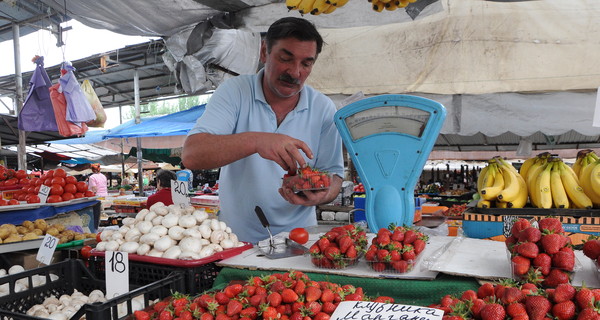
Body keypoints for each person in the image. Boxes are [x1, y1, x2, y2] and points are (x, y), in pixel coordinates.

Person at [182, 17, 344, 243]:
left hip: (300, 242)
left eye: (306, 64)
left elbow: (334, 175)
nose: (295, 72)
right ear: (264, 52)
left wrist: (322, 193)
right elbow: (191, 155)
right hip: (235, 242)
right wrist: (257, 141)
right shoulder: (235, 92)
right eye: (285, 58)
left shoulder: (323, 107)